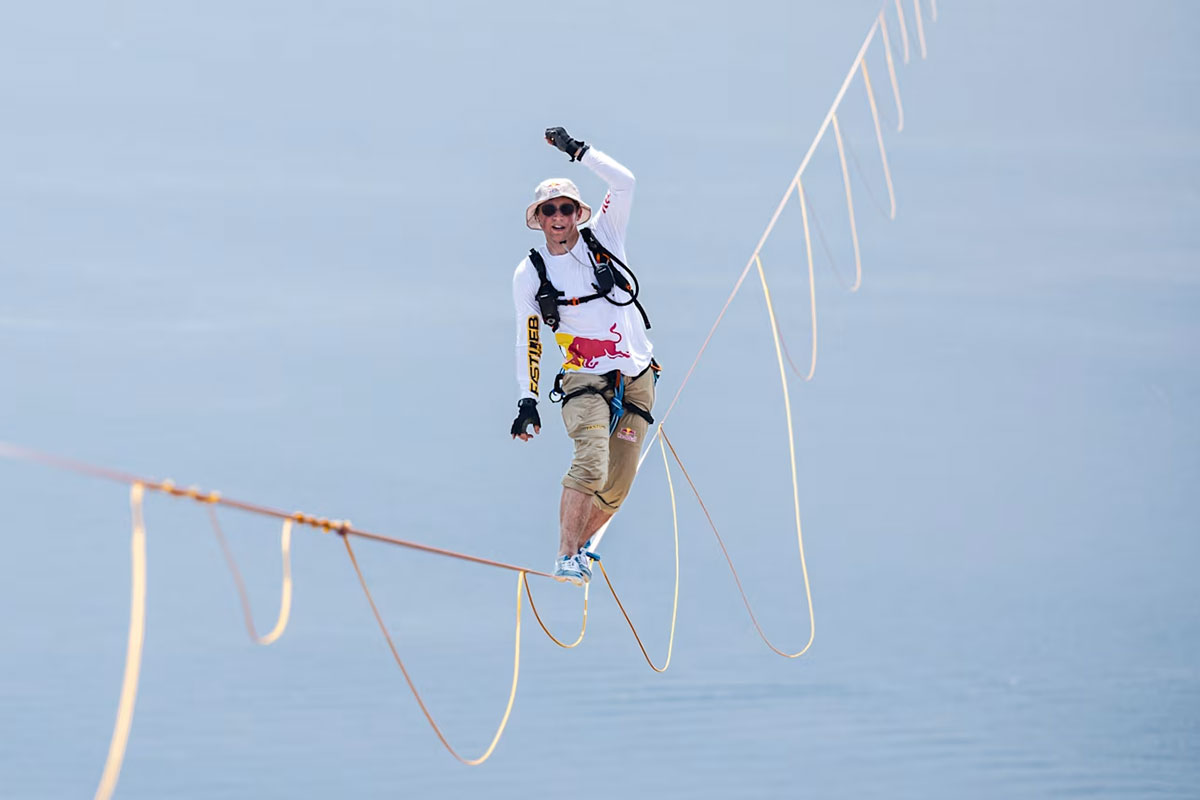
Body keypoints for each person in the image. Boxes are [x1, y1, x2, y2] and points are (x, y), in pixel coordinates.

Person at [510, 127, 657, 585]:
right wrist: (526, 399)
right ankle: (565, 554)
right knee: (590, 462)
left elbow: (625, 182)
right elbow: (527, 338)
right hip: (584, 378)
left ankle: (581, 546)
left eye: (566, 208)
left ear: (578, 212)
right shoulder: (531, 273)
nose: (559, 217)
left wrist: (579, 151)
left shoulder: (604, 236)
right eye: (549, 210)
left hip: (636, 374)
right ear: (538, 218)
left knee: (618, 484)